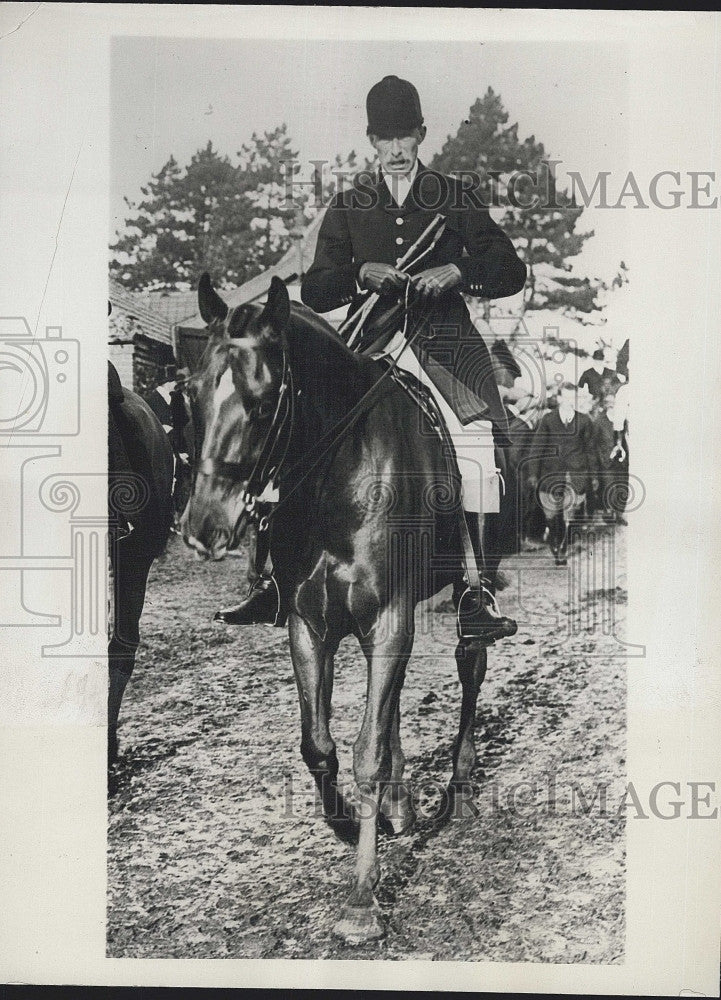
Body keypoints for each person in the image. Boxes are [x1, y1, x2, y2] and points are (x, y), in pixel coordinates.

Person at [218, 74, 527, 639]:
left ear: (421, 134)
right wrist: (360, 273)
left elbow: (510, 269)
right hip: (369, 344)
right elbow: (315, 289)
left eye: (405, 136)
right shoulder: (350, 203)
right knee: (292, 431)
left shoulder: (454, 197)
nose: (396, 148)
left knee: (477, 449)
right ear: (371, 140)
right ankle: (272, 579)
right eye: (385, 138)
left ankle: (474, 590)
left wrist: (459, 271)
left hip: (446, 348)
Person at [527, 382, 601, 566]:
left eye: (572, 398)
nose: (569, 401)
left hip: (575, 475)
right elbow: (537, 447)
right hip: (550, 475)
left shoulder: (584, 421)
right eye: (565, 397)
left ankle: (562, 547)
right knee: (552, 515)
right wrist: (533, 473)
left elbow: (591, 450)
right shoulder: (548, 420)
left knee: (571, 514)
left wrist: (594, 476)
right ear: (559, 398)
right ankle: (555, 541)